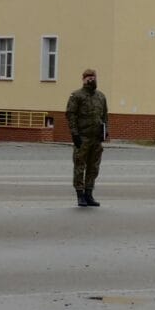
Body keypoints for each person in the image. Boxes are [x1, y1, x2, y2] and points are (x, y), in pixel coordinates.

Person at [65, 67, 109, 207]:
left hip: (96, 139)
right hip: (82, 137)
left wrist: (105, 131)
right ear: (83, 79)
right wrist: (74, 134)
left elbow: (105, 116)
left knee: (93, 167)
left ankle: (89, 193)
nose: (91, 79)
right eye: (88, 77)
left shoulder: (101, 96)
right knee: (80, 166)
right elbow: (71, 115)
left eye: (93, 77)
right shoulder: (76, 96)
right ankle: (80, 195)